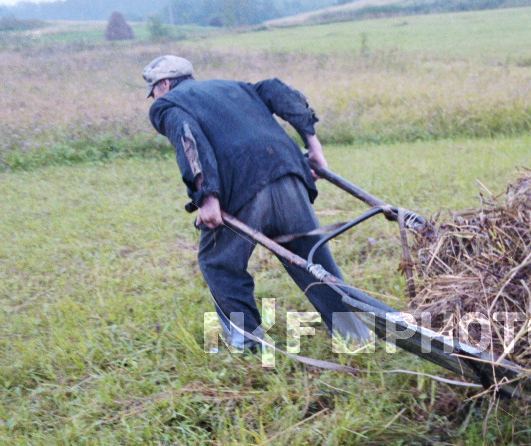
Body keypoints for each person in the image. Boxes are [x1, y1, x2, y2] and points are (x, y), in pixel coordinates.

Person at [142, 55, 371, 353]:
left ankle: (247, 345)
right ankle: (356, 337)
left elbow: (189, 139)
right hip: (289, 173)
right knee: (312, 259)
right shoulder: (234, 87)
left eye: (153, 91)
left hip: (243, 187)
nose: (153, 98)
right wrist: (314, 147)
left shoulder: (167, 105)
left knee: (218, 262)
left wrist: (207, 197)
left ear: (165, 84)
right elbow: (278, 91)